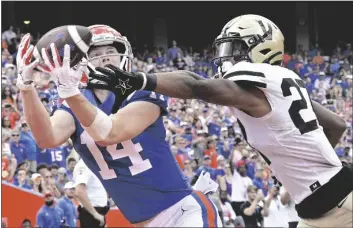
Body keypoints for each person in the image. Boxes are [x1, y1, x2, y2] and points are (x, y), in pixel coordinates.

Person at [91, 14, 352, 227]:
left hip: (337, 205)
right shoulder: (280, 85)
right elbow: (336, 125)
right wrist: (304, 167)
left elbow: (196, 86)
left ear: (262, 48)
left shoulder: (254, 90)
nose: (228, 55)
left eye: (236, 48)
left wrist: (141, 79)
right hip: (323, 204)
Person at [17, 25, 221, 227]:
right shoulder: (75, 102)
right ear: (80, 61)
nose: (105, 57)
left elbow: (110, 132)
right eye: (96, 53)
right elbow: (47, 138)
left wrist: (71, 93)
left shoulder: (141, 92)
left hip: (183, 213)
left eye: (111, 51)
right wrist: (26, 87)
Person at [73, 159, 109, 228]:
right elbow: (79, 192)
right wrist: (95, 213)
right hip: (91, 213)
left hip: (98, 212)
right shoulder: (83, 165)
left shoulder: (95, 164)